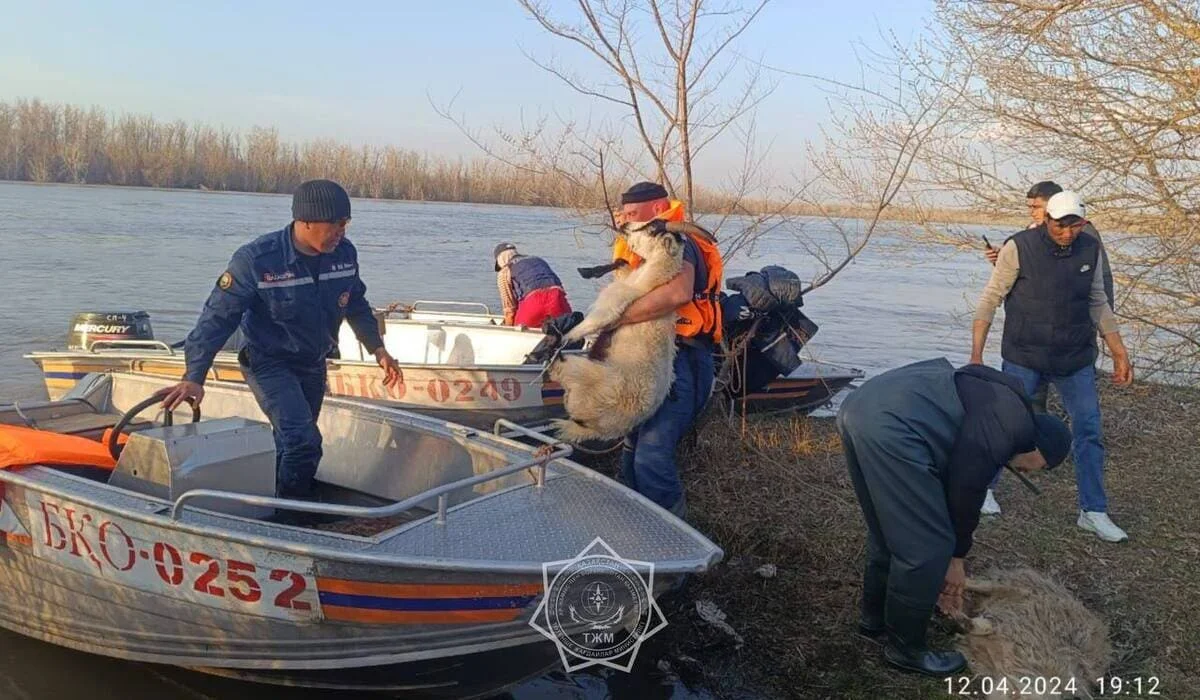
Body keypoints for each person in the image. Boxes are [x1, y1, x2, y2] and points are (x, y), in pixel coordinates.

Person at [159, 179, 402, 501]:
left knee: (291, 442)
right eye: (336, 224)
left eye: (347, 223)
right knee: (304, 442)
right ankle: (290, 515)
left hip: (313, 362)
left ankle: (273, 496)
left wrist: (378, 349)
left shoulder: (344, 254)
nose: (343, 231)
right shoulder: (257, 260)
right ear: (306, 222)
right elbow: (217, 318)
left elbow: (355, 301)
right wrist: (194, 377)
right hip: (268, 362)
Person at [837, 357, 1072, 677]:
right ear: (1042, 448)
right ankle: (905, 649)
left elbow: (946, 482)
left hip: (859, 407)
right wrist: (956, 557)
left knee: (888, 530)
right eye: (1039, 468)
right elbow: (966, 487)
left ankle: (874, 619)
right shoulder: (1010, 425)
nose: (1029, 472)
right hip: (891, 427)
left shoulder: (1000, 400)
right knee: (928, 547)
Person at [972, 190, 1133, 541]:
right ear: (1047, 220)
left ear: (1083, 223)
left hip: (1074, 359)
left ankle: (1093, 510)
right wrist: (976, 355)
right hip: (1024, 356)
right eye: (1060, 226)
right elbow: (991, 298)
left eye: (1075, 226)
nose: (1067, 233)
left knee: (1089, 428)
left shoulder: (1090, 248)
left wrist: (1118, 350)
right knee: (1005, 425)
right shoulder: (1019, 246)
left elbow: (1098, 301)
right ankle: (983, 490)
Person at [609, 181, 724, 517]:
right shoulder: (643, 244)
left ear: (658, 209)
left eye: (632, 214)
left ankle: (675, 547)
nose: (625, 220)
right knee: (631, 449)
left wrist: (619, 317)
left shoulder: (674, 240)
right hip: (651, 359)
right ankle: (636, 530)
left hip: (683, 361)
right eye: (624, 213)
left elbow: (678, 293)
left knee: (652, 455)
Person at [493, 242, 572, 327]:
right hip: (559, 300)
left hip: (533, 304)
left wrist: (507, 329)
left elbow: (509, 309)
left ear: (500, 259)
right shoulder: (538, 260)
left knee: (519, 335)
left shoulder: (504, 271)